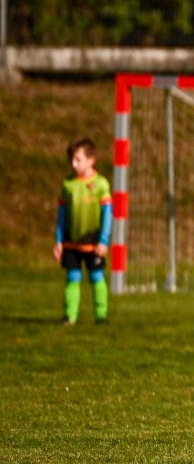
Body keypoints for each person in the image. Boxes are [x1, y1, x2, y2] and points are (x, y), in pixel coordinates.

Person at [53, 138, 113, 325]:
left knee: (96, 276)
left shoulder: (101, 184)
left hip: (93, 240)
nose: (73, 163)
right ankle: (70, 316)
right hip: (71, 240)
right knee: (72, 277)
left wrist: (104, 241)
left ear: (91, 160)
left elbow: (108, 215)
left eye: (78, 159)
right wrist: (58, 240)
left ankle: (101, 315)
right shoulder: (68, 184)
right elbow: (62, 215)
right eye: (72, 159)